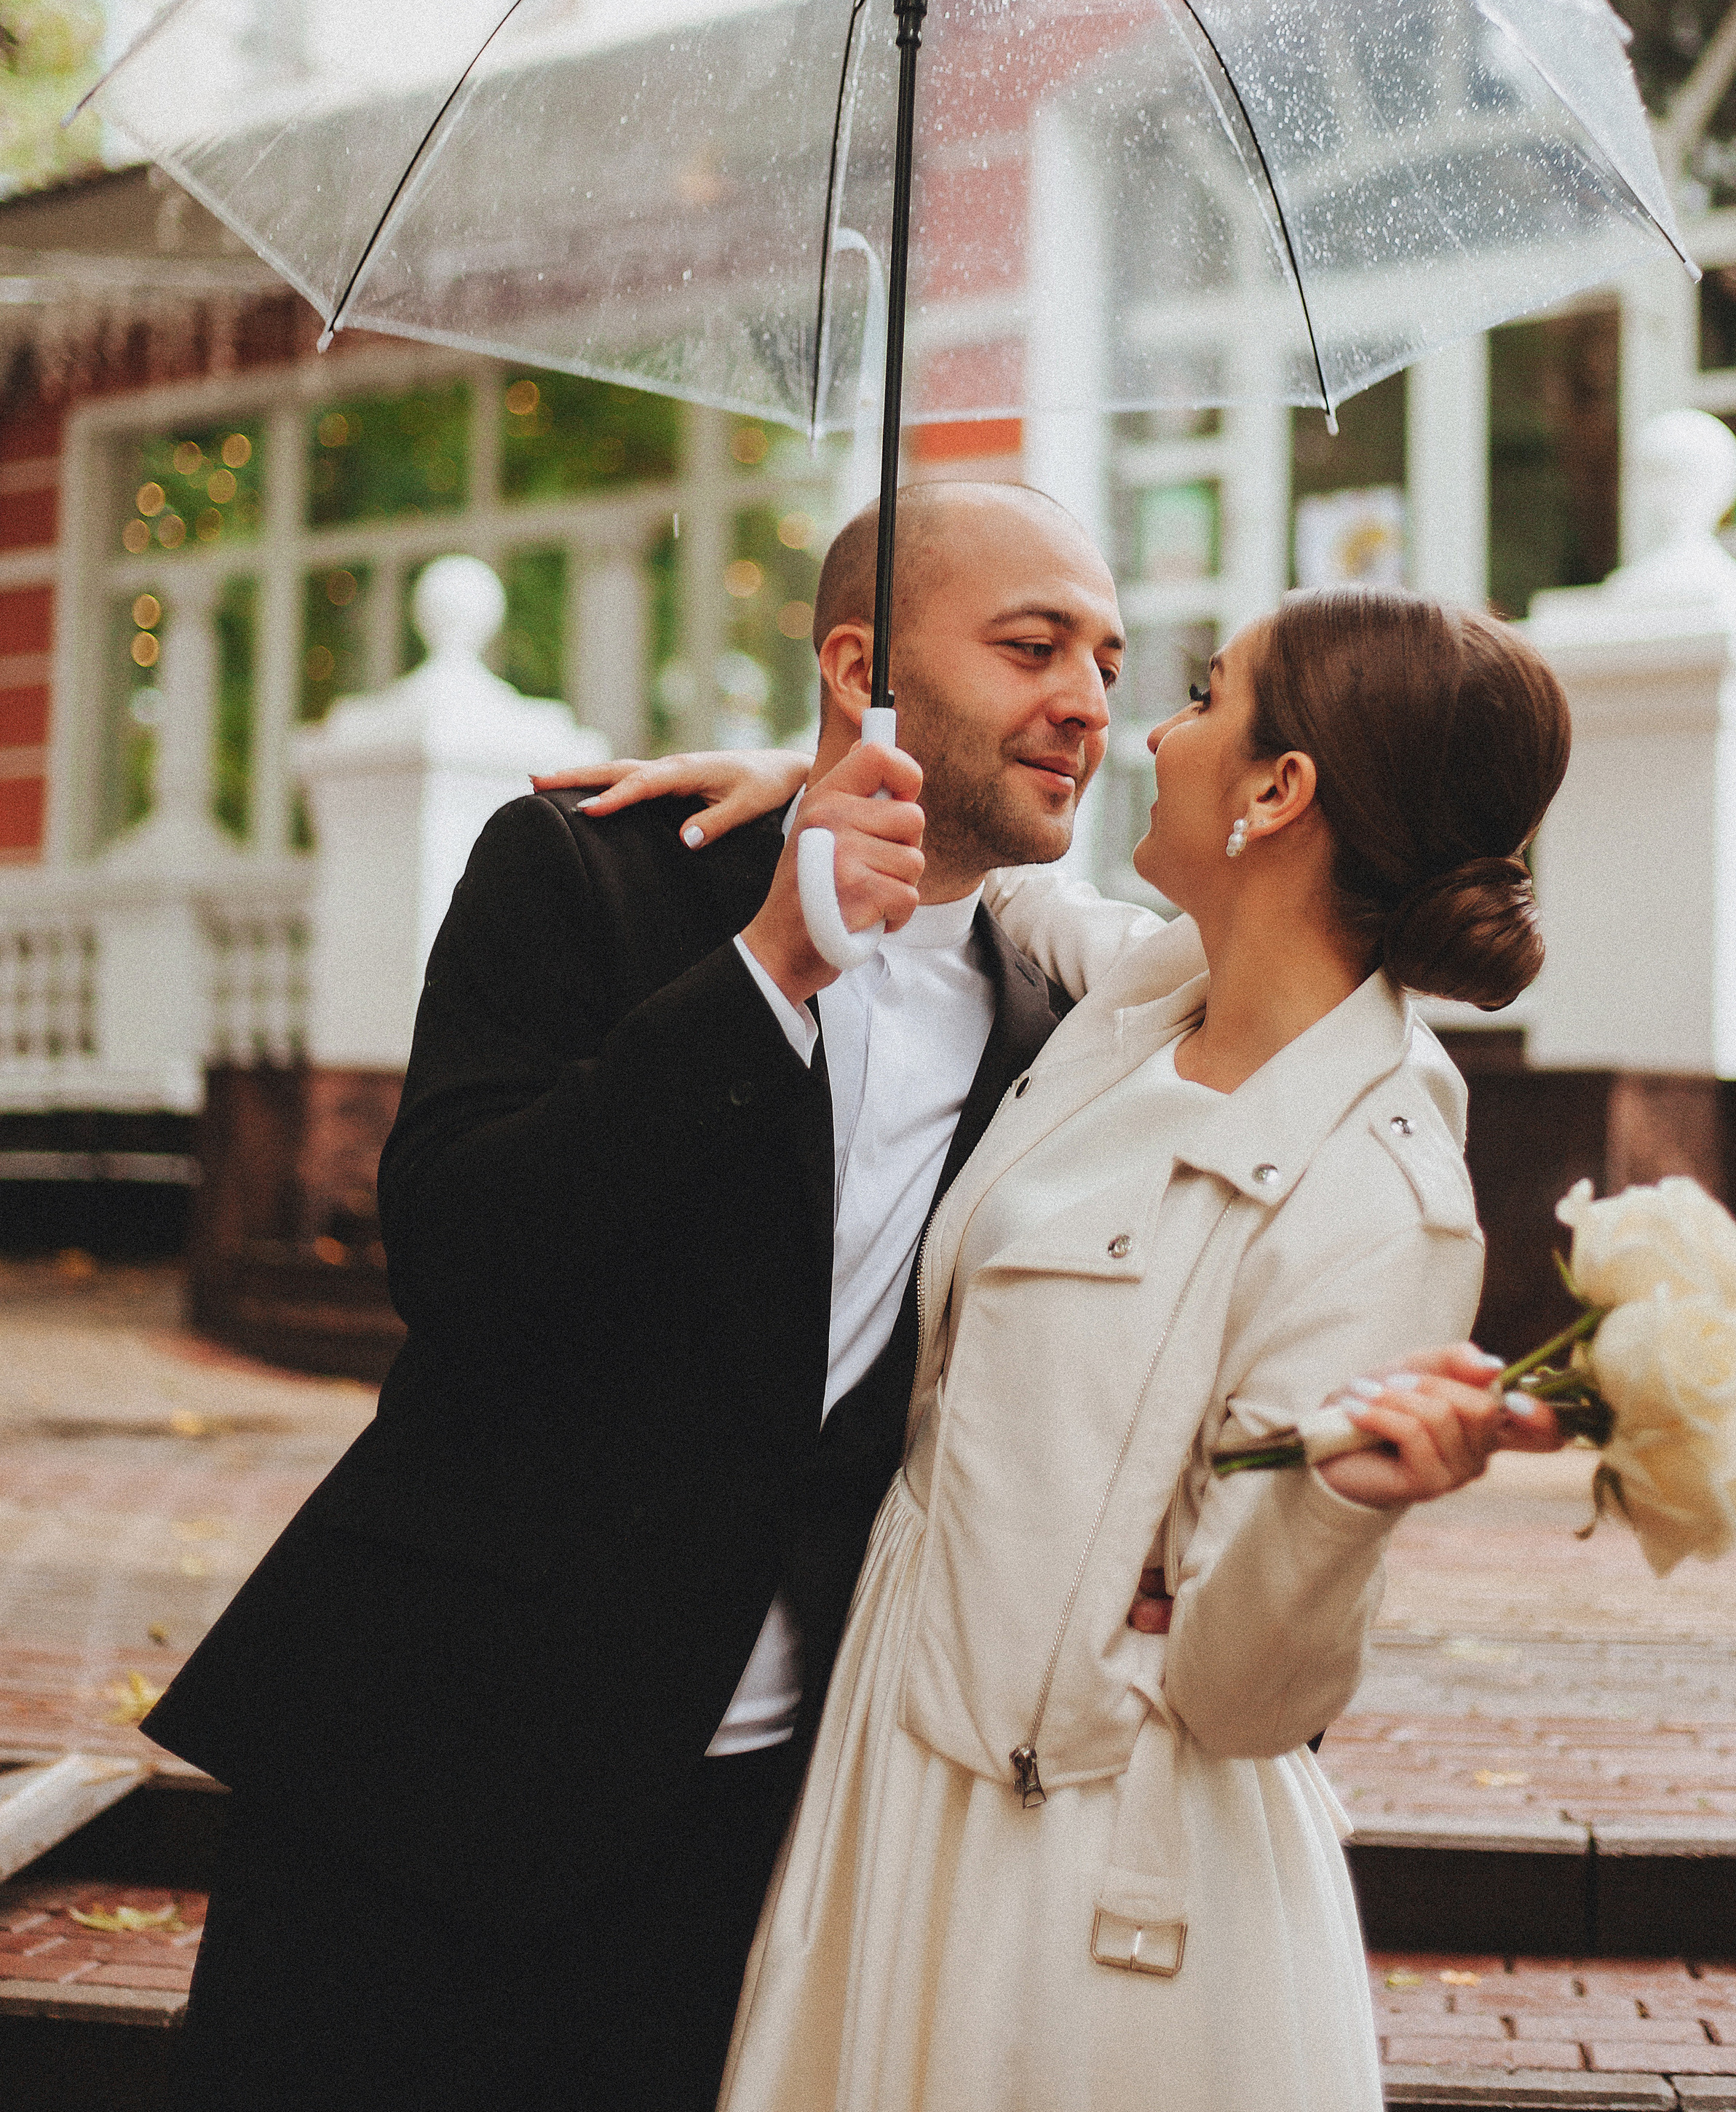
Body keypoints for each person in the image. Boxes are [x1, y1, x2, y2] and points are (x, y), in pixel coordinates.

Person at [145, 480, 1139, 2112]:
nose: (1085, 702)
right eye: (1032, 647)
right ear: (857, 666)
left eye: (1105, 657)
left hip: (765, 1815)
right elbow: (459, 1256)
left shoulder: (1063, 1013)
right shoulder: (585, 869)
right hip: (433, 1751)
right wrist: (767, 969)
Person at [598, 586, 1572, 2112]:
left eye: (1197, 693)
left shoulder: (1383, 1198)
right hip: (893, 1776)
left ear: (1276, 790)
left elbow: (1247, 1697)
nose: (1143, 726)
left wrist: (1340, 1509)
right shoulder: (1138, 989)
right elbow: (980, 878)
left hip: (1089, 1879)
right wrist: (806, 789)